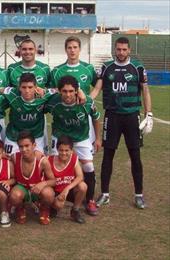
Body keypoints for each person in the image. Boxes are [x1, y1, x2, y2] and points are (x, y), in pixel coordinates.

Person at [90, 37, 153, 209]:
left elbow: (145, 91)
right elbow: (97, 88)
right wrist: (87, 101)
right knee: (108, 155)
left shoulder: (138, 68)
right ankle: (104, 194)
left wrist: (149, 113)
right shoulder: (106, 67)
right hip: (112, 117)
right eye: (118, 49)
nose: (121, 52)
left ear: (129, 50)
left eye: (124, 49)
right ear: (114, 50)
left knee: (135, 156)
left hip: (132, 117)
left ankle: (139, 195)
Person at [45, 75, 101, 216]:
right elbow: (40, 94)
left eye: (71, 91)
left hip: (80, 138)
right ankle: (52, 200)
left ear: (77, 91)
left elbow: (96, 118)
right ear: (59, 91)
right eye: (64, 91)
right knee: (52, 166)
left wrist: (98, 138)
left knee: (88, 166)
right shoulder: (53, 102)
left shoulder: (86, 102)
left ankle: (89, 200)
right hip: (60, 137)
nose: (68, 94)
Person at [51, 36, 97, 145]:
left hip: (83, 115)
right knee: (63, 152)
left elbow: (97, 86)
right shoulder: (57, 71)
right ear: (65, 49)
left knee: (86, 152)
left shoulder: (88, 68)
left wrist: (88, 99)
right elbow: (51, 90)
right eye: (69, 47)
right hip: (64, 116)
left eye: (75, 47)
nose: (72, 50)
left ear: (80, 49)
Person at [9, 131, 56, 225]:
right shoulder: (14, 157)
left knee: (49, 194)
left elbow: (53, 181)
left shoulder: (42, 161)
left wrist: (43, 184)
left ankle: (44, 209)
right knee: (14, 195)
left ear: (34, 145)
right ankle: (20, 209)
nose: (24, 149)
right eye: (21, 146)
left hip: (37, 190)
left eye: (27, 146)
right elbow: (3, 160)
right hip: (22, 189)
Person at [4, 73, 54, 155]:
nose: (27, 91)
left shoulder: (44, 96)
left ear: (35, 87)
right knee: (10, 160)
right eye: (24, 87)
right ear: (19, 87)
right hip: (14, 136)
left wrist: (79, 91)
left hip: (36, 136)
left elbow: (59, 90)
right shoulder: (12, 95)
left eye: (30, 87)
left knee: (39, 161)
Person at [48, 136, 87, 224]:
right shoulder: (49, 160)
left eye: (67, 150)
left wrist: (67, 189)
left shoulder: (74, 158)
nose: (64, 153)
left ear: (71, 150)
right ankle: (52, 207)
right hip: (55, 191)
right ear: (57, 149)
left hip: (68, 190)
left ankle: (75, 211)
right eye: (61, 150)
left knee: (83, 186)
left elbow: (80, 176)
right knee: (59, 205)